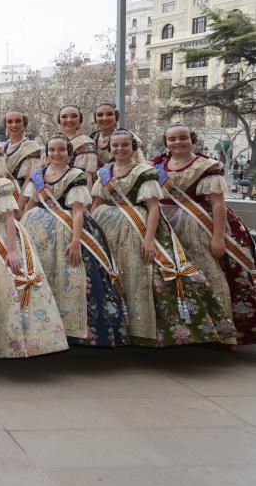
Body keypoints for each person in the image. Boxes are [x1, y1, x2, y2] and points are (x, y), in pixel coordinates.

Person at [91, 130, 235, 347]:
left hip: (137, 229)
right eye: (115, 145)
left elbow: (153, 209)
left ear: (133, 147)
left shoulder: (146, 172)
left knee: (143, 277)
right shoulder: (104, 172)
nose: (119, 149)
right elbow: (97, 203)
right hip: (108, 228)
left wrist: (148, 240)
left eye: (125, 145)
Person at [21, 134, 128, 347]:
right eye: (52, 150)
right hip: (37, 229)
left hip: (68, 230)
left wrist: (76, 241)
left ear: (69, 153)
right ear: (46, 152)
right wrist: (22, 232)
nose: (56, 154)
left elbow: (78, 211)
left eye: (61, 150)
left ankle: (75, 330)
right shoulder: (38, 175)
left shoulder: (76, 175)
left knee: (71, 276)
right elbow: (30, 204)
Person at [154, 123, 256, 344]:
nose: (177, 142)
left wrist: (218, 237)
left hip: (197, 227)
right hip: (166, 228)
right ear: (166, 142)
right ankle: (187, 330)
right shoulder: (158, 165)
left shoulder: (207, 166)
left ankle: (223, 332)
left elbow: (218, 204)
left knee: (208, 273)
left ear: (192, 139)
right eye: (172, 139)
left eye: (183, 137)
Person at [0, 146, 69, 358]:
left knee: (9, 284)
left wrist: (11, 251)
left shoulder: (2, 186)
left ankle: (22, 342)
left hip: (5, 237)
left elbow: (10, 218)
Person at [3, 109, 43, 210]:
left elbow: (31, 180)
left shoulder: (31, 147)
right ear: (5, 125)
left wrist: (19, 206)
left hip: (23, 201)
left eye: (18, 121)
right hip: (5, 199)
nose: (14, 125)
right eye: (10, 121)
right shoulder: (5, 146)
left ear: (24, 124)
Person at [91, 101, 145, 166]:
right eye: (100, 115)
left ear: (116, 117)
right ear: (95, 119)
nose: (104, 118)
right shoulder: (91, 140)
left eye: (109, 114)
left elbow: (140, 165)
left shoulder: (127, 138)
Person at [57, 105, 98, 187]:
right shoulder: (55, 139)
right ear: (59, 120)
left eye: (74, 116)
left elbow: (87, 177)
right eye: (64, 116)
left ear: (80, 120)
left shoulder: (85, 144)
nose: (69, 120)